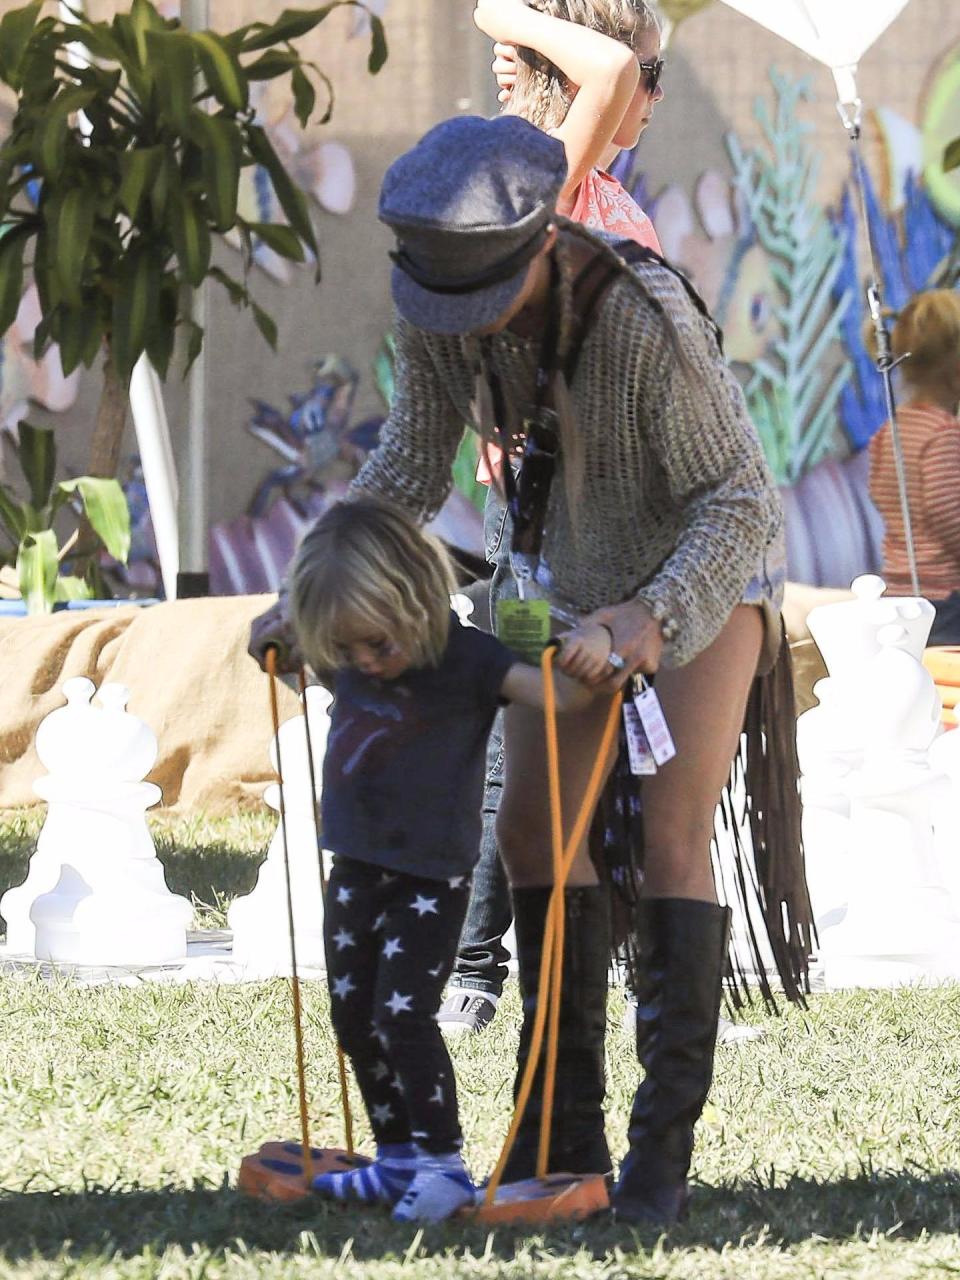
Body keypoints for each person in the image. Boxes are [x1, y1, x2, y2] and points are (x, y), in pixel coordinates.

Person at [251, 114, 812, 1224]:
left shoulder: (645, 322)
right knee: (532, 833)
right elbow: (413, 456)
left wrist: (654, 615)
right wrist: (303, 596)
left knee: (668, 834)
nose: (461, 322)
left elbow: (741, 498)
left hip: (700, 570)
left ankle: (656, 1163)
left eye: (483, 297)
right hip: (554, 576)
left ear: (543, 242)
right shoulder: (438, 299)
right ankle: (561, 1134)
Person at [440, 0, 665, 1036]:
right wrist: (507, 13)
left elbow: (615, 66)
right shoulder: (540, 168)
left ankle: (595, 952)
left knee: (608, 727)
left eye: (508, 55)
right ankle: (479, 967)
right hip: (532, 525)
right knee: (523, 717)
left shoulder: (609, 190)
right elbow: (613, 67)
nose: (491, 61)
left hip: (615, 518)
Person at [289, 497, 595, 1223]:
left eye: (377, 646)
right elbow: (327, 678)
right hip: (356, 862)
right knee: (351, 1013)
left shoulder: (468, 657)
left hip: (430, 874)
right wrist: (278, 643)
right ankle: (396, 1161)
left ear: (414, 601)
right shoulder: (354, 643)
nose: (363, 663)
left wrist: (582, 656)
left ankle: (443, 1163)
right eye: (348, 649)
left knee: (403, 1015)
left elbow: (558, 696)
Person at [869, 290, 960, 643]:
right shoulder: (942, 434)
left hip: (898, 588)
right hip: (943, 596)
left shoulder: (890, 430)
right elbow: (946, 513)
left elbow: (879, 491)